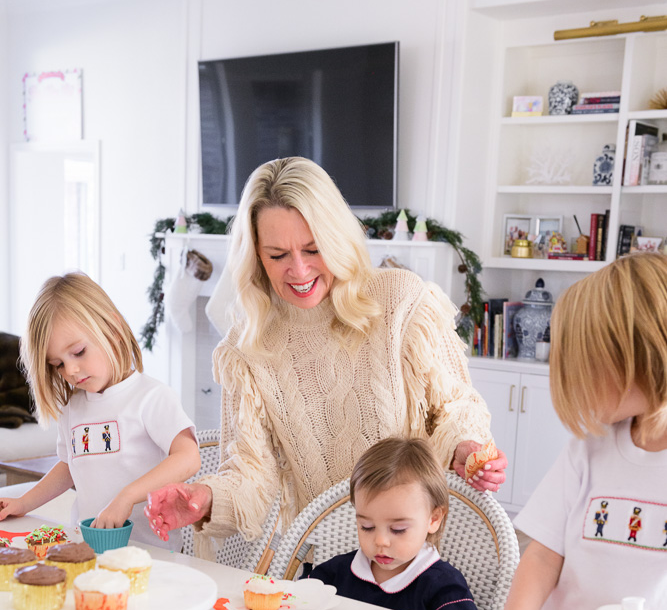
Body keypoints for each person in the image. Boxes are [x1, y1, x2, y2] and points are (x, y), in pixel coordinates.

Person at [144, 156, 506, 554]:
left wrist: (465, 447)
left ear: (337, 239)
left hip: (416, 558)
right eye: (278, 255)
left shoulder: (400, 302)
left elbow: (456, 406)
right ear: (256, 258)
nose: (298, 271)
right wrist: (204, 498)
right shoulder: (246, 347)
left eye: (313, 249)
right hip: (327, 568)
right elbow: (251, 473)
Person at [435, 252, 667, 610]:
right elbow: (543, 555)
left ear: (643, 355)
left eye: (587, 365)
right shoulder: (590, 448)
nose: (574, 381)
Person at [0, 273, 200, 548]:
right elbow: (69, 467)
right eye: (57, 364)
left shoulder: (151, 397)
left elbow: (189, 458)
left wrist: (127, 496)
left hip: (150, 554)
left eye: (79, 352)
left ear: (112, 331)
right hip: (88, 546)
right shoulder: (74, 408)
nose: (70, 370)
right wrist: (24, 502)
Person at [308, 437, 478, 610]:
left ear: (434, 519)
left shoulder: (442, 583)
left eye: (398, 530)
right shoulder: (338, 572)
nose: (380, 541)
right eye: (367, 527)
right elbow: (296, 598)